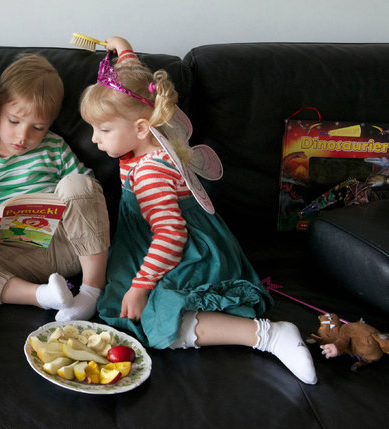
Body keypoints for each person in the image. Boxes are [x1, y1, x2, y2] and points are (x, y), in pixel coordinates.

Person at [79, 36, 317, 384]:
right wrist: (124, 51)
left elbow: (172, 233)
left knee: (158, 322)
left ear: (141, 128)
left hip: (182, 249)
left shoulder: (149, 173)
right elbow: (137, 84)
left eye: (103, 130)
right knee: (123, 307)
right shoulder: (150, 122)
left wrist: (142, 285)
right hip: (154, 240)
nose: (94, 139)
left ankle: (267, 335)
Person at [0, 54, 110, 322]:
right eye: (14, 121)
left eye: (38, 128)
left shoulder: (55, 148)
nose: (23, 136)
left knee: (79, 183)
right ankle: (42, 296)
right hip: (8, 255)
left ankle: (91, 290)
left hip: (69, 246)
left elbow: (88, 197)